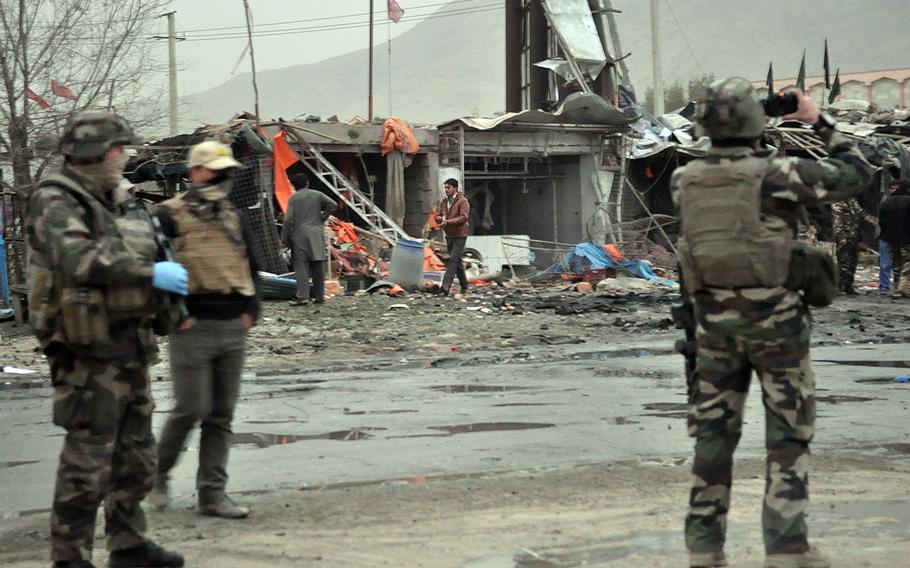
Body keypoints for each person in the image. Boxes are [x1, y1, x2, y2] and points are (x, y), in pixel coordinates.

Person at [673, 78, 870, 568]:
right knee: (787, 432)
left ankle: (704, 547)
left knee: (714, 435)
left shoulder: (685, 179)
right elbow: (856, 173)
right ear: (753, 121)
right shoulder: (777, 173)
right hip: (776, 322)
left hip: (712, 324)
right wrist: (816, 120)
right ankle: (786, 547)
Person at [27, 111, 186, 568]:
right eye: (122, 150)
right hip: (85, 350)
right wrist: (149, 271)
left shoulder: (121, 199)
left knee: (137, 455)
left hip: (130, 341)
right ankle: (70, 556)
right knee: (88, 458)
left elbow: (144, 243)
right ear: (103, 153)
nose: (125, 158)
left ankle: (129, 544)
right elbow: (76, 258)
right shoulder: (55, 198)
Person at [152, 140, 261, 519]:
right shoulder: (167, 216)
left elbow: (252, 265)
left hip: (233, 325)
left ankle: (212, 495)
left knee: (221, 415)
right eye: (218, 171)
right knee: (190, 408)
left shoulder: (234, 216)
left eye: (228, 172)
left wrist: (251, 310)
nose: (225, 178)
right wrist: (175, 318)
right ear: (196, 173)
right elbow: (151, 272)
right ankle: (156, 473)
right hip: (192, 327)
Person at [280, 173, 337, 306]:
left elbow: (288, 220)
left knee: (301, 267)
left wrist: (283, 238)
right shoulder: (317, 194)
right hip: (317, 233)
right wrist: (322, 218)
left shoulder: (294, 198)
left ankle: (303, 297)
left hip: (299, 236)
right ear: (307, 183)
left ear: (294, 185)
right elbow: (333, 205)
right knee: (318, 265)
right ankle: (320, 297)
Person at [434, 178, 471, 296]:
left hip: (460, 234)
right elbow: (437, 216)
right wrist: (441, 219)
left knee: (453, 260)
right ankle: (465, 286)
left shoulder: (463, 201)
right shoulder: (444, 202)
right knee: (457, 261)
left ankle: (445, 287)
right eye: (445, 187)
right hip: (449, 234)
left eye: (448, 187)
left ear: (455, 188)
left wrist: (448, 222)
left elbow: (463, 217)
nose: (446, 190)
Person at [879, 179, 910, 296]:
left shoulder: (886, 202)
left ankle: (884, 288)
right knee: (903, 262)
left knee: (885, 263)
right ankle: (901, 286)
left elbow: (881, 221)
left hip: (886, 236)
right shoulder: (908, 201)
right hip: (903, 237)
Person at [832, 197, 869, 295]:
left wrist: (874, 221)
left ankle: (848, 286)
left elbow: (862, 214)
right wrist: (840, 236)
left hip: (855, 236)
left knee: (853, 262)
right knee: (843, 262)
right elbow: (837, 221)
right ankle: (838, 287)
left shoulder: (853, 201)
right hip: (845, 237)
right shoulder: (837, 203)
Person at [877, 179, 901, 292]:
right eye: (892, 188)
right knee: (885, 263)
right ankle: (884, 287)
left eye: (896, 188)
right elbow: (881, 220)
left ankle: (898, 285)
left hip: (897, 236)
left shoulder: (903, 201)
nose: (894, 191)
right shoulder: (885, 201)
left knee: (898, 263)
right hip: (887, 236)